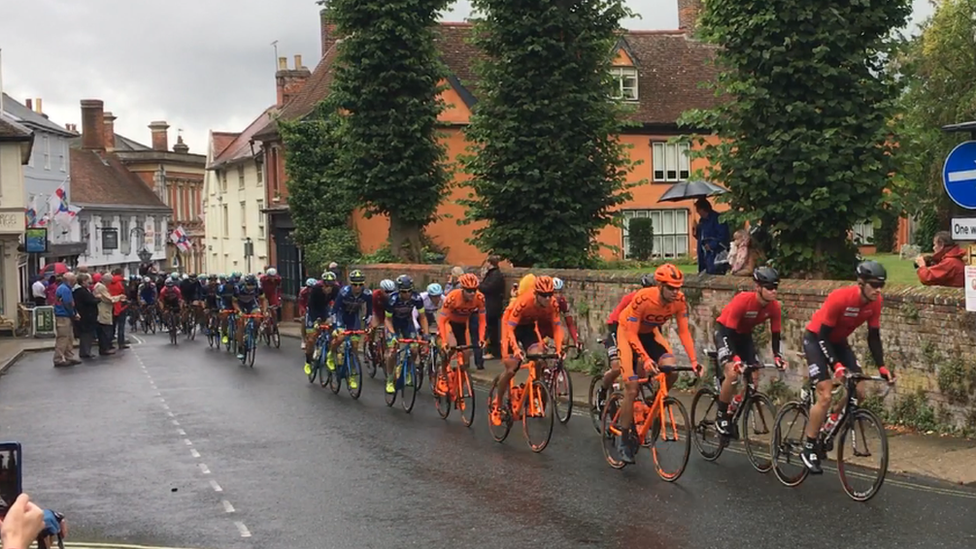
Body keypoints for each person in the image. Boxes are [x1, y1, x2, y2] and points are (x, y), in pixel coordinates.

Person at [800, 260, 896, 474]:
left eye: (882, 285)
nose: (878, 290)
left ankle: (832, 421)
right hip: (817, 339)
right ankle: (809, 447)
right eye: (874, 285)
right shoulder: (840, 298)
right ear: (861, 283)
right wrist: (836, 366)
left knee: (859, 390)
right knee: (825, 394)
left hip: (839, 342)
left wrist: (882, 367)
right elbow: (823, 336)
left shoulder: (875, 302)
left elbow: (873, 337)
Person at [615, 264, 702, 463]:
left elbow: (684, 332)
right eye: (671, 288)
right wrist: (645, 359)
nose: (676, 292)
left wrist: (694, 361)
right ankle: (624, 438)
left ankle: (654, 401)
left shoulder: (679, 301)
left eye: (678, 287)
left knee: (672, 370)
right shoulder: (643, 298)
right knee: (631, 387)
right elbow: (631, 333)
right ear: (659, 285)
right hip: (628, 333)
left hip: (650, 334)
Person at [712, 267, 786, 436]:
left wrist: (777, 356)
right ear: (758, 287)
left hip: (744, 336)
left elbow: (776, 334)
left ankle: (733, 409)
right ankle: (721, 415)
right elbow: (729, 335)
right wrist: (736, 359)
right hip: (725, 332)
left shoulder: (774, 307)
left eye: (776, 287)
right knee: (732, 373)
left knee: (754, 377)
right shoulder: (743, 301)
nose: (773, 291)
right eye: (769, 287)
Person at [494, 275, 564, 426]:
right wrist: (516, 348)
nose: (547, 298)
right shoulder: (524, 302)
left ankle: (535, 387)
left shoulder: (552, 304)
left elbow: (557, 328)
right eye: (543, 295)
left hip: (527, 328)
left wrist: (559, 349)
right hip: (510, 326)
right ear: (535, 294)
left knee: (539, 357)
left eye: (549, 295)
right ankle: (498, 404)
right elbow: (510, 330)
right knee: (511, 368)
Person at [595, 273, 654, 411]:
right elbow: (619, 320)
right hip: (617, 327)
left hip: (635, 332)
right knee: (617, 367)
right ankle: (602, 391)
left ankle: (634, 398)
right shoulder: (632, 299)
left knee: (641, 363)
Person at [436, 273, 486, 391]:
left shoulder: (479, 298)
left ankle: (458, 388)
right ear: (462, 289)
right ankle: (443, 373)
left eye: (474, 290)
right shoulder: (452, 297)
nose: (472, 293)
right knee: (451, 346)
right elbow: (442, 321)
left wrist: (481, 338)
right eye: (469, 291)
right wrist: (444, 341)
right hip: (449, 324)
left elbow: (482, 321)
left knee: (466, 356)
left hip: (463, 325)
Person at [383, 275, 427, 394]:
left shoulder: (417, 298)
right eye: (404, 292)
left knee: (414, 349)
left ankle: (407, 370)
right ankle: (390, 379)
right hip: (393, 323)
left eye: (409, 291)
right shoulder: (393, 299)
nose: (407, 294)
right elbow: (387, 320)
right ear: (399, 291)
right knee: (392, 351)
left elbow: (422, 317)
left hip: (407, 323)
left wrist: (426, 334)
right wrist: (392, 335)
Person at [329, 270, 372, 387]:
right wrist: (335, 327)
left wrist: (368, 326)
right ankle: (330, 355)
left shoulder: (367, 294)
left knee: (354, 346)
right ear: (350, 284)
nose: (357, 287)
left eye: (360, 284)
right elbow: (335, 310)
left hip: (354, 318)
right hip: (341, 316)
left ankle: (352, 374)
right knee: (340, 338)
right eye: (354, 284)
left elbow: (369, 313)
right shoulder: (344, 292)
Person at [303, 273, 340, 374]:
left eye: (331, 286)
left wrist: (334, 320)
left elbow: (338, 305)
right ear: (322, 285)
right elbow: (311, 306)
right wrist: (316, 320)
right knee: (311, 339)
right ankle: (308, 362)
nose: (328, 289)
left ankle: (329, 351)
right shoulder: (316, 289)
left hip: (325, 309)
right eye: (326, 286)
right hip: (313, 310)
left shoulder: (336, 289)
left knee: (333, 331)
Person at [694, 198, 730, 275]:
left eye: (699, 210)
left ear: (703, 209)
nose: (698, 213)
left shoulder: (718, 219)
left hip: (715, 254)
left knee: (714, 273)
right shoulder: (701, 221)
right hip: (703, 254)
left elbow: (723, 236)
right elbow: (701, 236)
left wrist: (712, 245)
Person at [233, 274, 266, 359]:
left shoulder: (258, 288)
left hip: (251, 303)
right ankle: (240, 348)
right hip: (240, 304)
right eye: (248, 285)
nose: (250, 287)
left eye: (252, 286)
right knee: (240, 325)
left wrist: (264, 311)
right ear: (245, 284)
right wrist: (239, 311)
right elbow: (234, 302)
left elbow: (263, 299)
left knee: (257, 318)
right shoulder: (238, 288)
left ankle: (254, 333)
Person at [479, 255, 505, 359]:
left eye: (487, 263)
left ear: (490, 263)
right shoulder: (493, 274)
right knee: (491, 328)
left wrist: (478, 285)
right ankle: (491, 350)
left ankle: (493, 351)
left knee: (491, 329)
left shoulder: (495, 275)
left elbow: (488, 288)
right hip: (492, 304)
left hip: (492, 305)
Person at [53, 273, 81, 367]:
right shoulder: (65, 289)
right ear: (70, 280)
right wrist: (73, 314)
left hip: (64, 315)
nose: (75, 282)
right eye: (74, 280)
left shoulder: (63, 288)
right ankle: (58, 358)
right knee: (63, 337)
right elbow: (68, 303)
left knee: (69, 337)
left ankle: (69, 356)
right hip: (63, 316)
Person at [72, 274, 101, 359]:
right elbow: (89, 301)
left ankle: (85, 351)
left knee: (87, 334)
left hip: (86, 315)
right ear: (84, 281)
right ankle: (85, 352)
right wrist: (98, 299)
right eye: (89, 280)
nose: (90, 282)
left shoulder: (81, 290)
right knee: (86, 334)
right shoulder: (81, 291)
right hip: (86, 316)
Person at [551, 277, 581, 351]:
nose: (558, 295)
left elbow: (570, 323)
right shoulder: (545, 302)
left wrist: (576, 340)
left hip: (554, 327)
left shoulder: (562, 302)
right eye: (555, 292)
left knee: (564, 338)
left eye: (560, 292)